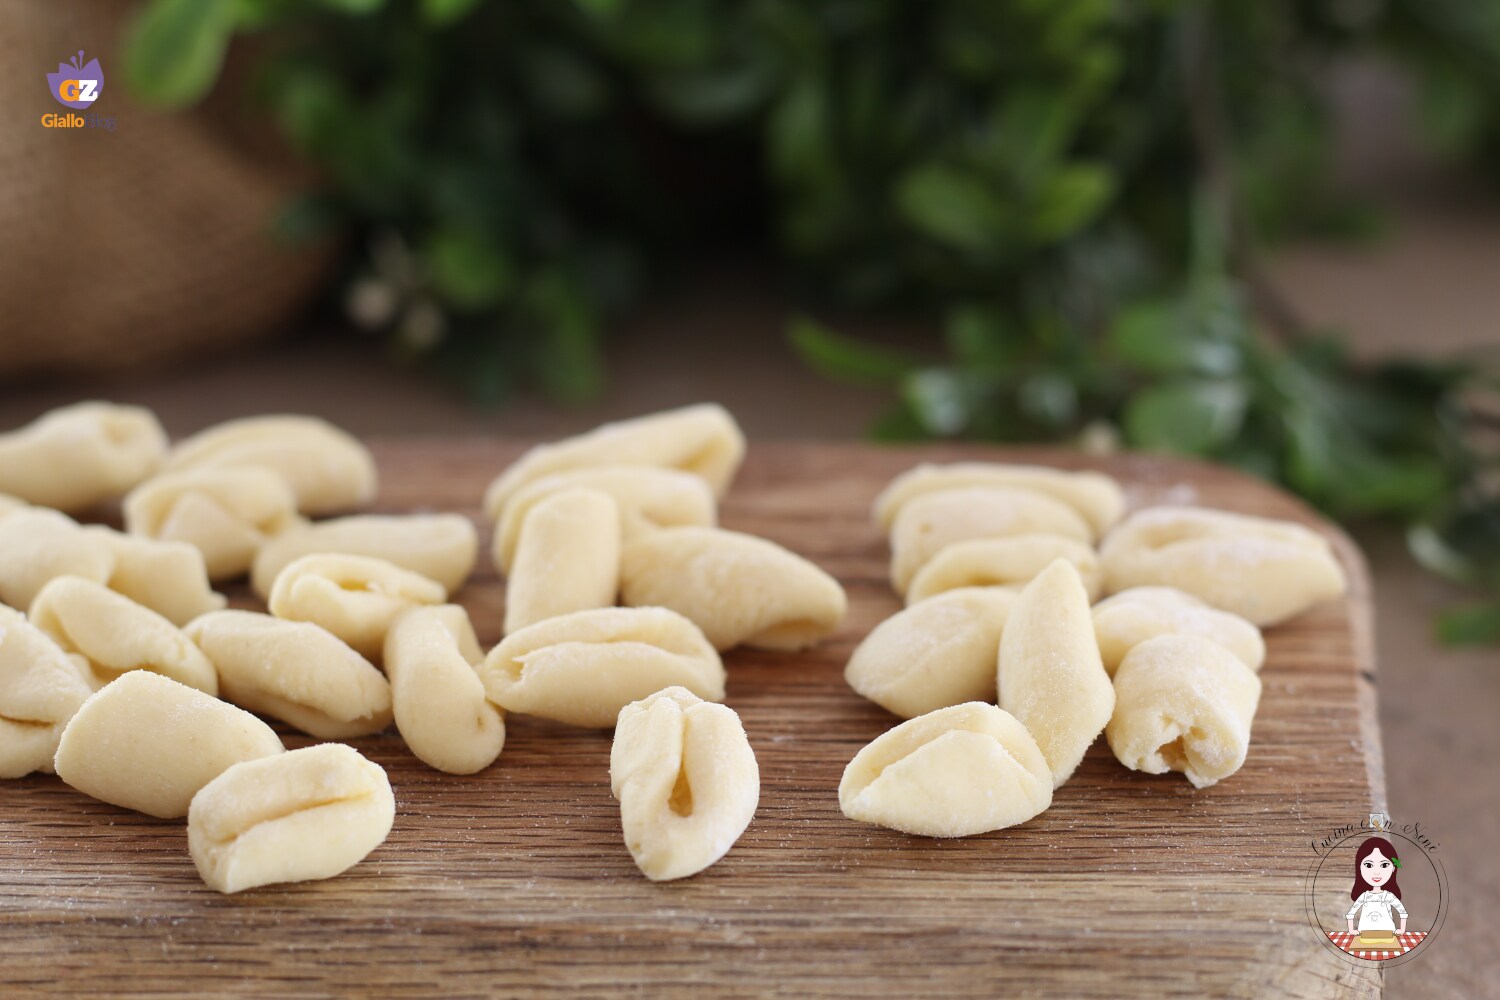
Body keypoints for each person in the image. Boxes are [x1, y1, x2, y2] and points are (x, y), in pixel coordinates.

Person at [1345, 836, 1408, 939]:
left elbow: (1402, 912)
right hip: (1365, 934)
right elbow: (1350, 913)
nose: (1377, 872)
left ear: (1393, 868)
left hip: (1387, 934)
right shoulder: (1364, 896)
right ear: (1359, 868)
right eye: (1369, 865)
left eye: (1384, 865)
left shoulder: (1388, 896)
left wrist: (1401, 929)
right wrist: (1352, 930)